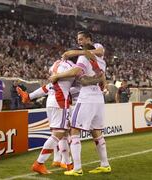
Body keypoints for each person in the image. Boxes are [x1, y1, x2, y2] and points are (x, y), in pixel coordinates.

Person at [49, 31, 110, 176]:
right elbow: (100, 73)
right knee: (96, 132)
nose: (80, 41)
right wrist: (102, 81)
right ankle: (105, 164)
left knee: (74, 130)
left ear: (89, 39)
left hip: (87, 97)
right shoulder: (98, 57)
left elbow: (76, 71)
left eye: (81, 39)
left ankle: (77, 168)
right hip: (98, 99)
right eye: (78, 40)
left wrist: (57, 75)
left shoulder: (86, 54)